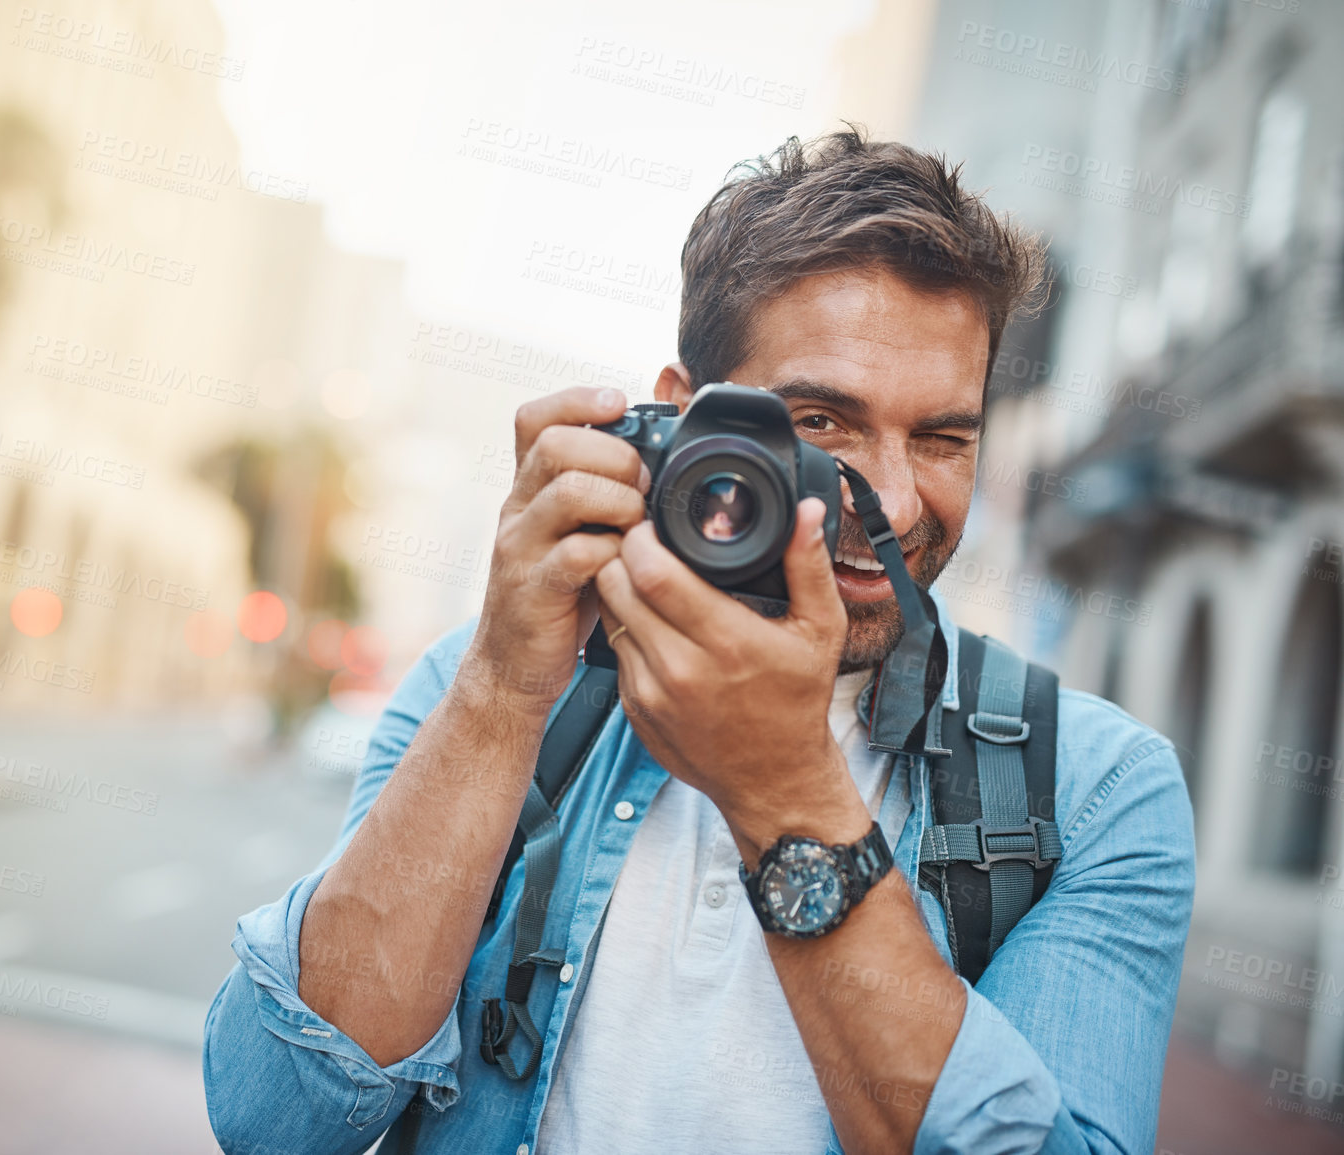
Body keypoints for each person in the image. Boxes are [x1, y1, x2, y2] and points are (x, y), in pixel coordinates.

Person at [202, 129, 1196, 1155]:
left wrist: (788, 797)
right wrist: (503, 691)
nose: (894, 499)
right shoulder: (487, 681)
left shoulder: (1091, 792)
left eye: (942, 437)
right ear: (683, 417)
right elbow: (276, 1119)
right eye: (823, 421)